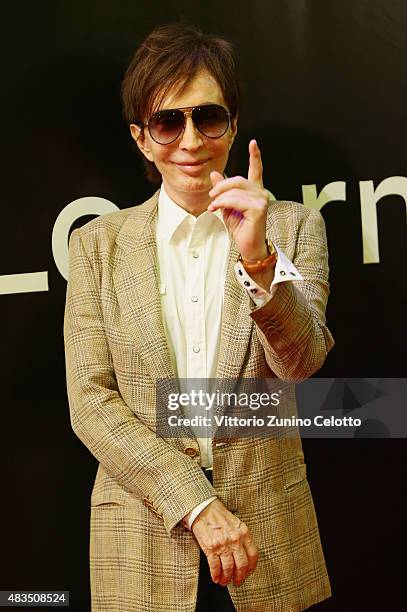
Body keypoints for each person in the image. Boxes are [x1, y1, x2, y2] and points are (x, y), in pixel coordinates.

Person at [63, 22, 335, 612]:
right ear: (141, 137)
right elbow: (90, 401)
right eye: (168, 122)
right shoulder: (96, 246)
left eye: (207, 117)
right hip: (143, 552)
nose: (190, 140)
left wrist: (258, 260)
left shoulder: (293, 227)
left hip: (271, 542)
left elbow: (301, 366)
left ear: (232, 125)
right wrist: (196, 502)